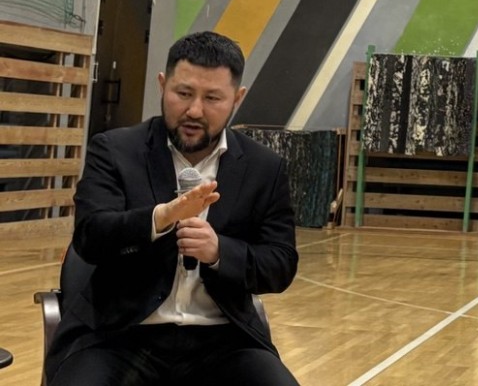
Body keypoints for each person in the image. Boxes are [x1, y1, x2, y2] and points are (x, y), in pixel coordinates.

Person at [47, 31, 300, 385]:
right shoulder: (114, 150)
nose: (194, 110)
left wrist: (219, 252)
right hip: (117, 336)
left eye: (212, 98)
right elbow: (90, 237)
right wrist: (160, 219)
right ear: (162, 85)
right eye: (183, 93)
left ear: (237, 98)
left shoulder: (264, 168)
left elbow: (280, 264)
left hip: (224, 341)